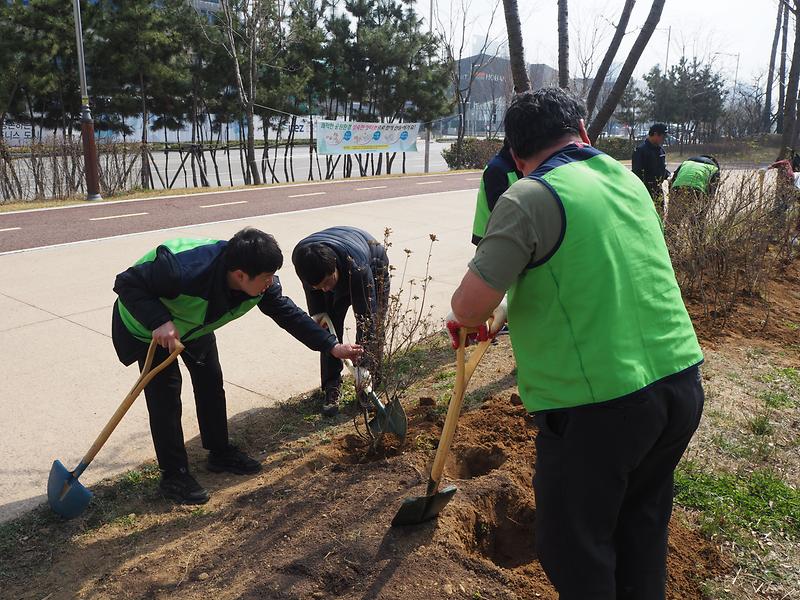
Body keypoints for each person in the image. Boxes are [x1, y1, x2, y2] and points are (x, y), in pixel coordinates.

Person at [448, 88, 704, 600]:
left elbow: (466, 308)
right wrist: (508, 312)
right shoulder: (624, 179)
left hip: (601, 408)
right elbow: (590, 274)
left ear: (517, 156)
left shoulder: (528, 195)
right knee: (641, 529)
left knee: (575, 548)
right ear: (583, 134)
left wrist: (480, 313)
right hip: (679, 385)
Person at [112, 227, 363, 505]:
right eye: (267, 277)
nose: (271, 282)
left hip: (194, 325)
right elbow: (126, 283)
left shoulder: (258, 283)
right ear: (241, 275)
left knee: (210, 382)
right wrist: (158, 320)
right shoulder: (183, 269)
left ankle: (219, 453)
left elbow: (288, 314)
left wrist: (332, 346)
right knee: (166, 398)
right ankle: (174, 476)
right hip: (149, 330)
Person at [292, 226, 390, 417]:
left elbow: (367, 318)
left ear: (335, 266)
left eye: (328, 282)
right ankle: (331, 386)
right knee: (325, 328)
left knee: (372, 324)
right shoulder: (303, 261)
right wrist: (326, 332)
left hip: (373, 261)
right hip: (337, 261)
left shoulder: (358, 267)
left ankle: (367, 386)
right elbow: (321, 321)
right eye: (319, 286)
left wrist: (362, 366)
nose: (326, 290)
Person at [471, 139, 523, 246]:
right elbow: (499, 209)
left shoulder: (518, 165)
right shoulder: (496, 169)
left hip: (506, 234)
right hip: (491, 236)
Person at [667, 155, 721, 227]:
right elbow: (711, 192)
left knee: (673, 221)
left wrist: (672, 197)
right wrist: (704, 209)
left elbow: (672, 180)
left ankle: (668, 237)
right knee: (697, 222)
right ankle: (695, 237)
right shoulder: (714, 169)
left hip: (677, 188)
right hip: (698, 191)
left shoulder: (685, 163)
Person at [632, 123, 671, 214]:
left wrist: (668, 175)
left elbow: (661, 168)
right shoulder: (641, 150)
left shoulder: (661, 150)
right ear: (655, 134)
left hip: (658, 190)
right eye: (662, 136)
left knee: (659, 215)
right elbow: (636, 172)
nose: (663, 139)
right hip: (644, 190)